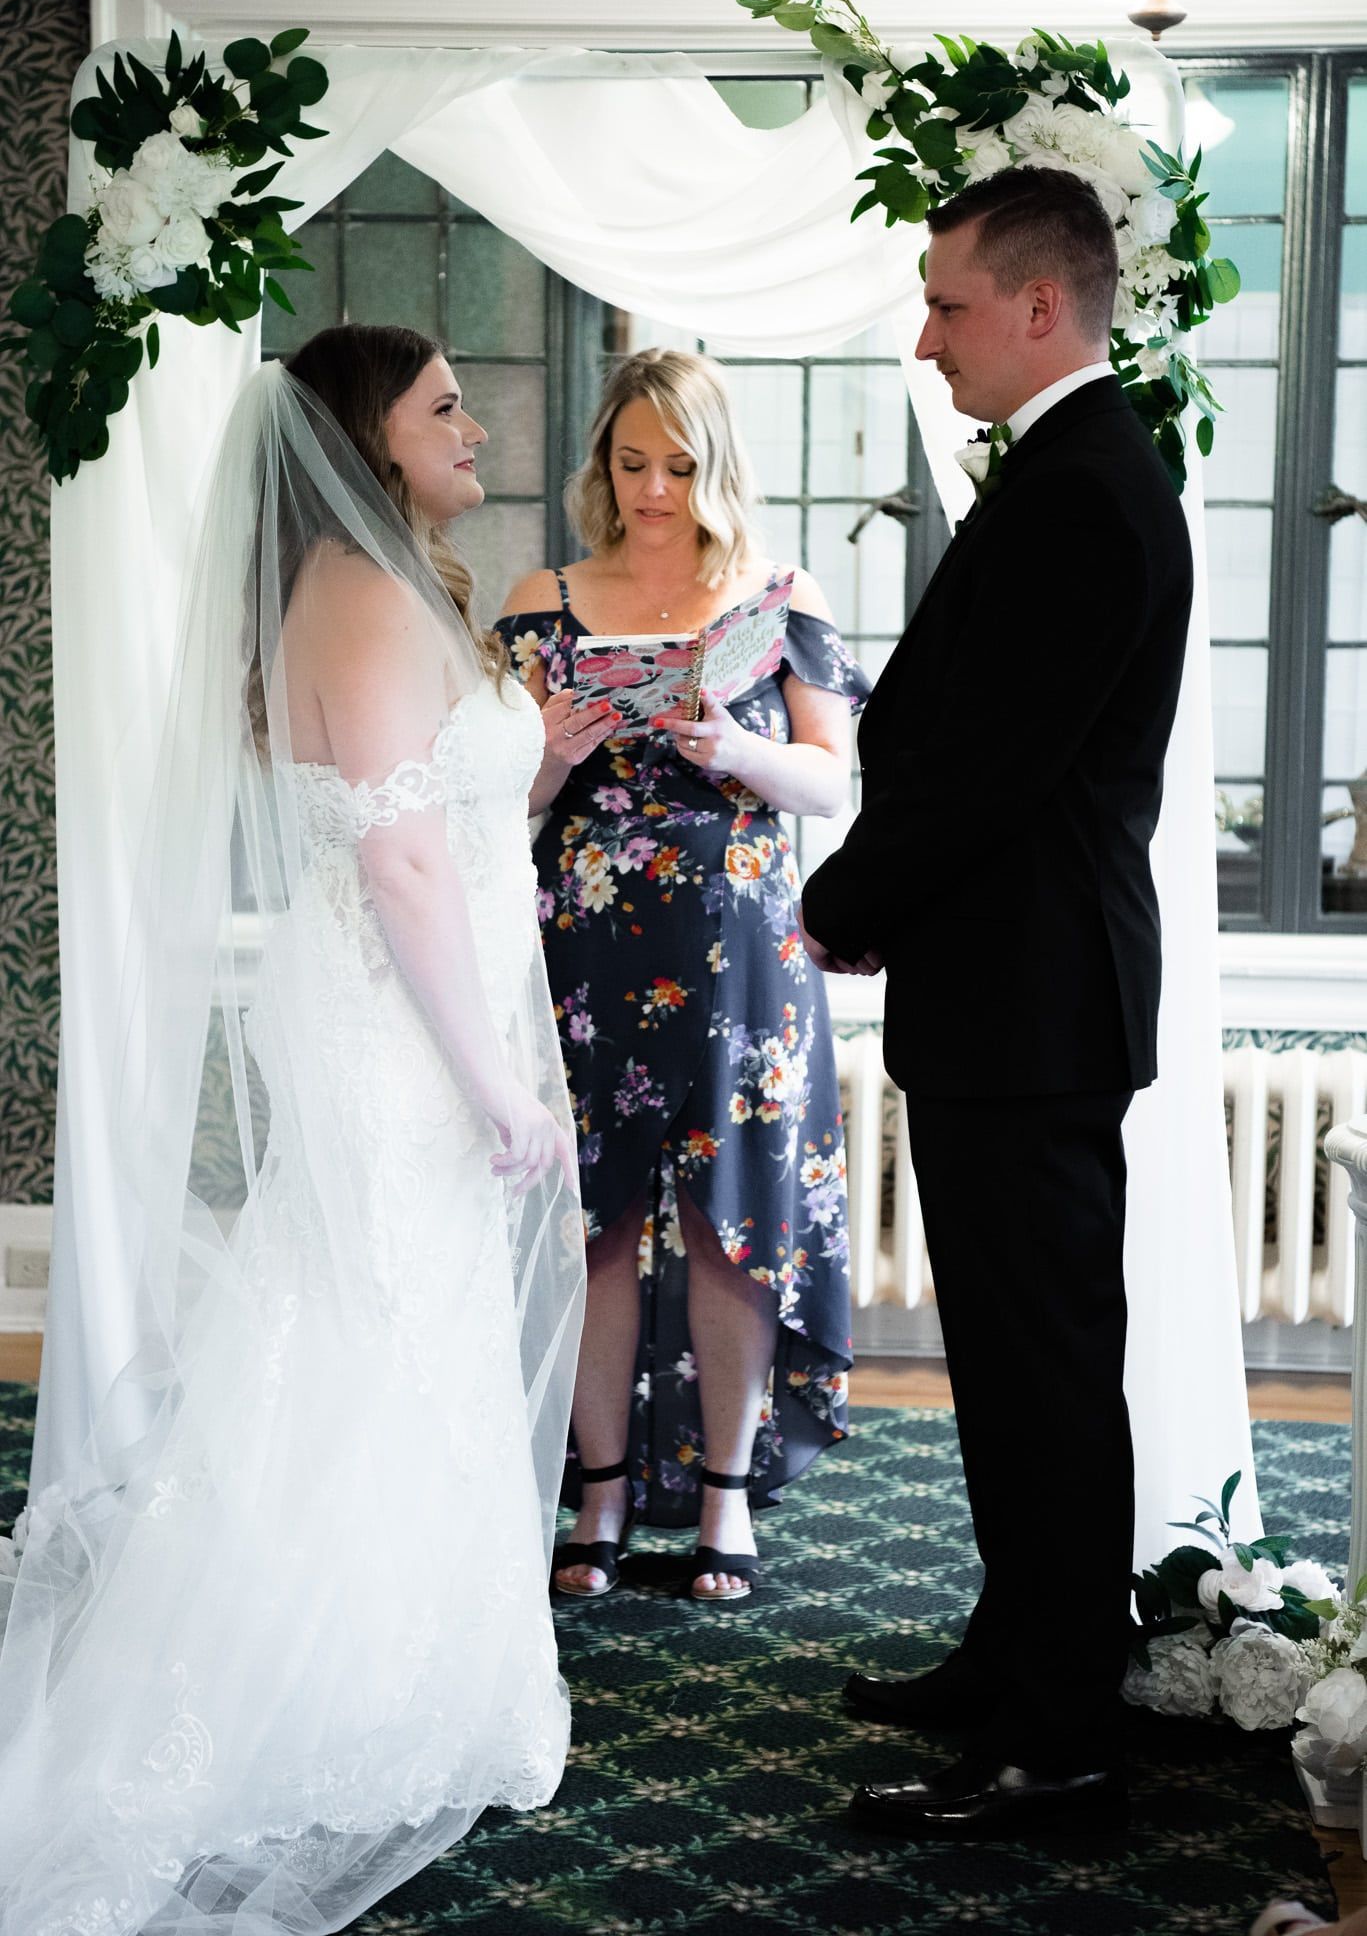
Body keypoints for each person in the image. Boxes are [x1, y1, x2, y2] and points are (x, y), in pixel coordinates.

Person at [0, 325, 585, 1935]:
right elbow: (399, 876)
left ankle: (407, 1662)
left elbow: (423, 824)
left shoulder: (371, 584)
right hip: (399, 1034)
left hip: (393, 1009)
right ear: (366, 436)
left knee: (368, 1330)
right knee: (372, 1334)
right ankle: (332, 1692)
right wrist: (493, 1086)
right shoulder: (365, 591)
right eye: (446, 406)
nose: (477, 426)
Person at [801, 167, 1194, 1836]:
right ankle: (1013, 1643)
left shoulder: (1086, 489)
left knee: (1042, 1372)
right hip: (1010, 995)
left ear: (1041, 305)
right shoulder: (1071, 475)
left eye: (949, 303)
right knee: (1013, 1364)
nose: (926, 335)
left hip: (1032, 1006)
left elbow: (987, 767)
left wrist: (848, 897)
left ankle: (1060, 1733)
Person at [498, 348, 867, 1603]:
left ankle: (722, 1494)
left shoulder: (773, 591)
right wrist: (545, 756)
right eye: (629, 461)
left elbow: (834, 779)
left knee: (729, 1214)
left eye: (678, 464)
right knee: (589, 1218)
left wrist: (739, 748)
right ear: (601, 461)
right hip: (585, 939)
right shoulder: (542, 597)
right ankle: (595, 1489)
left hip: (741, 948)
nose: (652, 488)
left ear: (718, 465)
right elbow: (486, 808)